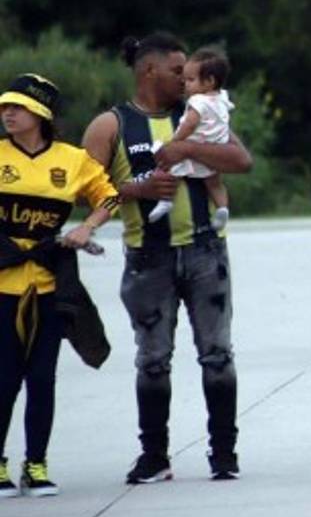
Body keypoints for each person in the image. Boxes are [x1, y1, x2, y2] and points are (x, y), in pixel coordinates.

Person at [81, 32, 254, 484]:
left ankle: (224, 454)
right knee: (153, 358)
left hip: (204, 250)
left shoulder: (198, 113)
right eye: (177, 71)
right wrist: (136, 190)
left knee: (217, 354)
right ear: (148, 71)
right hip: (147, 256)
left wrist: (189, 149)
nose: (186, 78)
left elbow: (240, 160)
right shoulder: (111, 125)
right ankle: (154, 455)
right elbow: (83, 191)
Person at [0, 74, 118, 498]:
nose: (8, 113)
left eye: (17, 107)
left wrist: (86, 227)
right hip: (2, 286)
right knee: (3, 378)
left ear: (41, 114)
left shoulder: (72, 160)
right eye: (4, 107)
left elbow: (109, 196)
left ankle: (36, 463)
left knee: (42, 377)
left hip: (50, 284)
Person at [148, 46, 233, 231]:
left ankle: (166, 200)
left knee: (170, 170)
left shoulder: (197, 101)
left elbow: (190, 124)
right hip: (215, 149)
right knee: (215, 183)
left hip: (195, 144)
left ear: (209, 81)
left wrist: (176, 140)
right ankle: (223, 208)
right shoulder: (222, 97)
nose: (185, 84)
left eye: (191, 80)